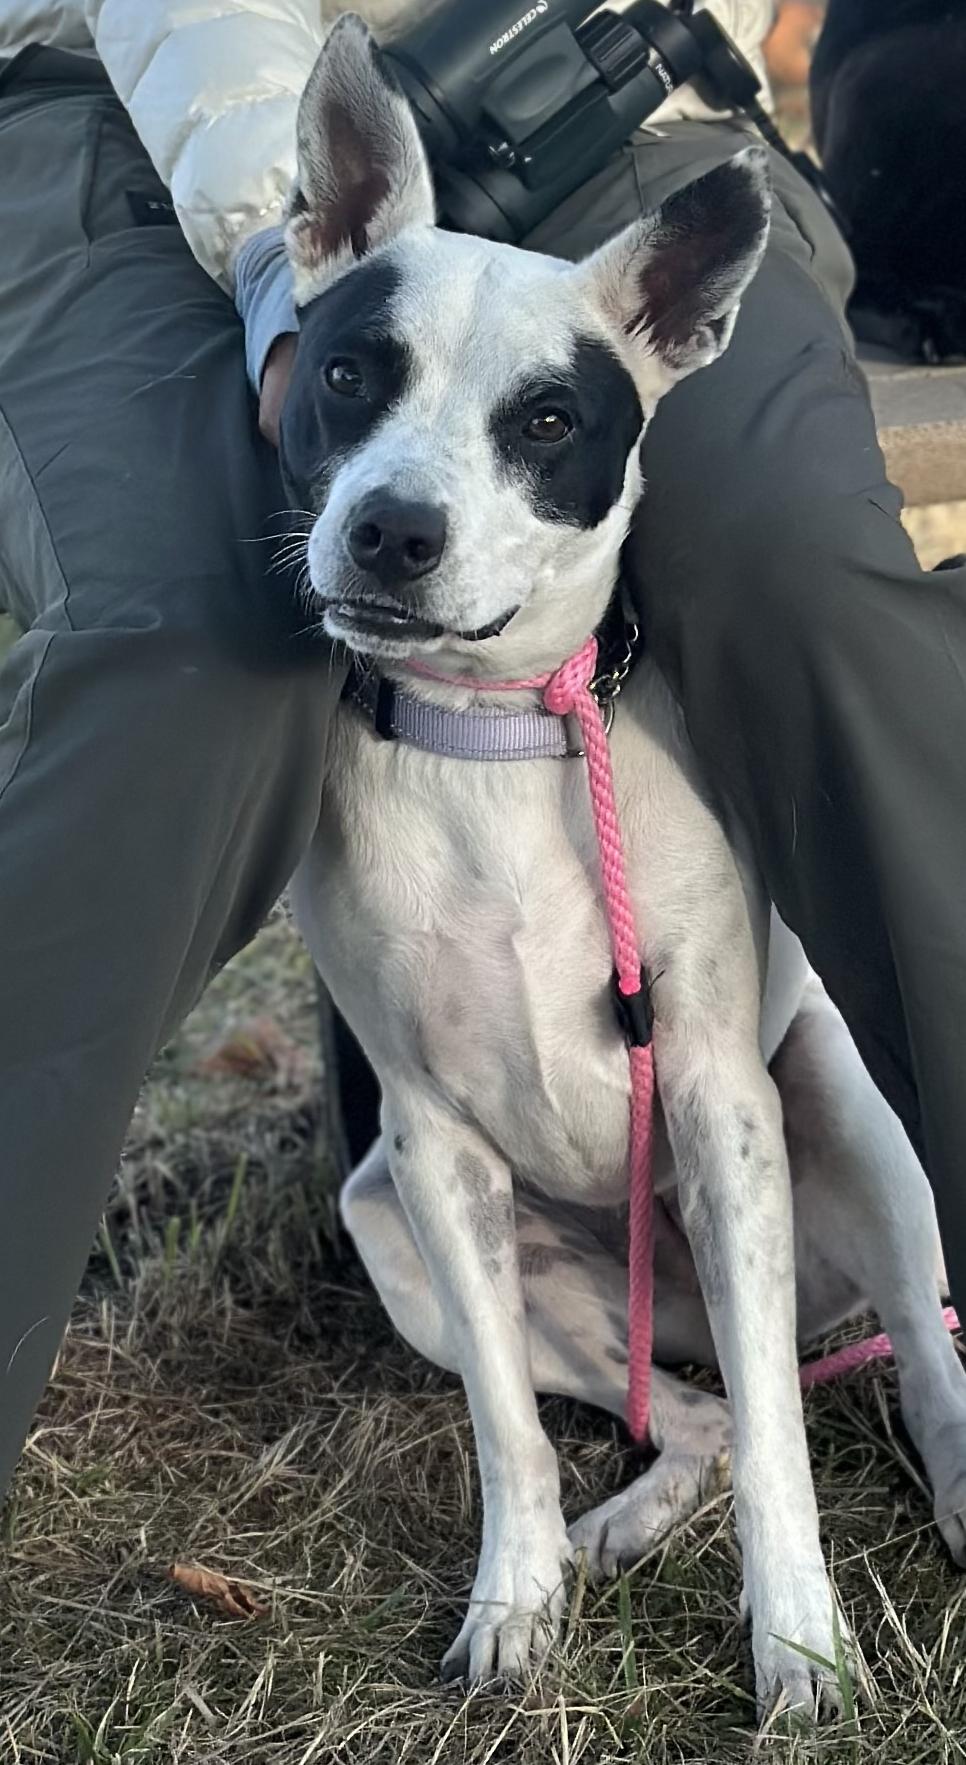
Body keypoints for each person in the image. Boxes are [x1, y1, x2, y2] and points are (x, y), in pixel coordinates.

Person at [0, 0, 964, 1513]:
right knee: (196, 653)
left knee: (796, 575)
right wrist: (277, 261)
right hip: (151, 100)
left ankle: (934, 1325)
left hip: (597, 79)